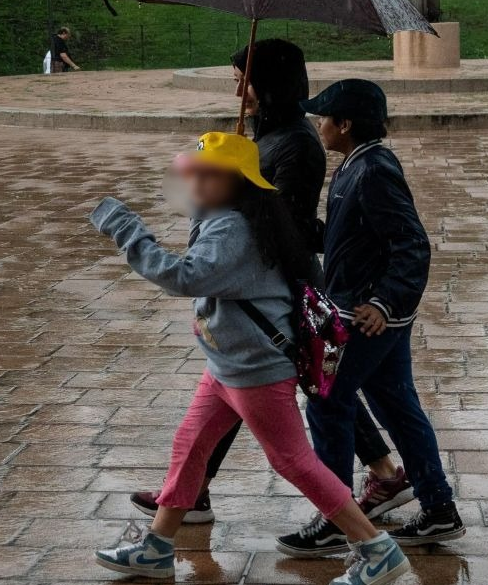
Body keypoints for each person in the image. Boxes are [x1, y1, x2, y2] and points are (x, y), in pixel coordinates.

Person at [91, 132, 410, 585]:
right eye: (192, 173)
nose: (196, 183)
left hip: (255, 372)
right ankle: (156, 547)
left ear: (238, 182)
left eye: (209, 175)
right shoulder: (232, 218)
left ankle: (377, 549)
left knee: (294, 462)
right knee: (191, 446)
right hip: (227, 367)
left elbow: (184, 276)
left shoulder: (234, 228)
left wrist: (125, 228)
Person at [129, 41, 413, 549]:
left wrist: (236, 195)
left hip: (278, 292)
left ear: (273, 83)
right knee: (249, 403)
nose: (239, 88)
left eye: (247, 78)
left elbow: (288, 225)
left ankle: (372, 534)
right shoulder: (264, 134)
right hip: (246, 306)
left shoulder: (299, 145)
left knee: (305, 413)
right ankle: (179, 512)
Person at [280, 79, 465, 551]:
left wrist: (384, 303)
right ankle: (439, 508)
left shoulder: (374, 170)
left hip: (367, 317)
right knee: (397, 408)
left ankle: (337, 519)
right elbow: (352, 236)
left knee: (326, 402)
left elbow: (411, 243)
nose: (317, 125)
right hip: (367, 312)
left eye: (323, 117)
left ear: (344, 124)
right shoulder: (352, 166)